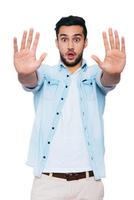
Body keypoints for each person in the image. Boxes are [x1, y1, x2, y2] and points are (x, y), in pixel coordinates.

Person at [13, 15, 126, 200]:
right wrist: (24, 73)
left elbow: (108, 81)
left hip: (89, 184)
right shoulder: (45, 73)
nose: (70, 46)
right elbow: (30, 81)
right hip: (47, 183)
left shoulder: (96, 73)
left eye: (77, 39)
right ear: (57, 42)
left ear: (85, 42)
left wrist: (114, 73)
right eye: (64, 39)